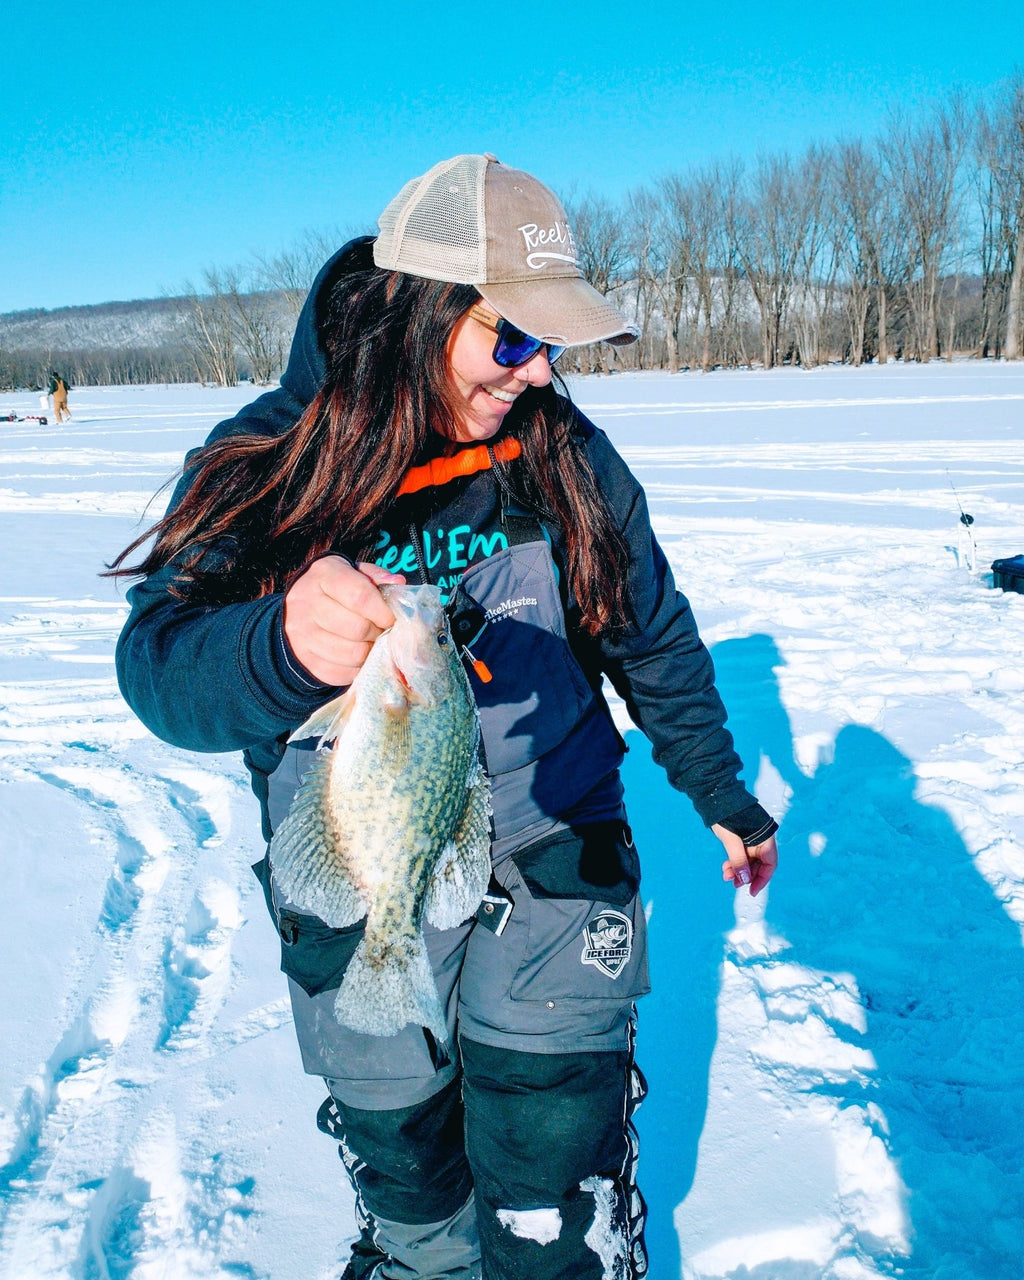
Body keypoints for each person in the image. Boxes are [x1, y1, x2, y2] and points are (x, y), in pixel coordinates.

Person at [111, 154, 779, 1280]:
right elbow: (157, 662)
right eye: (508, 338)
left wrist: (719, 789)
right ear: (416, 313)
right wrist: (275, 645)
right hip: (370, 874)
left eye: (551, 341)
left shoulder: (561, 451)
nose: (536, 370)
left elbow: (648, 631)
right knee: (419, 1214)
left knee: (543, 1213)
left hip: (552, 857)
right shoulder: (276, 460)